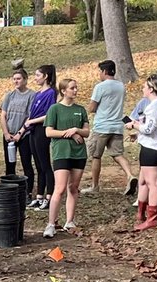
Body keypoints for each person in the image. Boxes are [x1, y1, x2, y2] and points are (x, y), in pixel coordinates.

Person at [43, 78, 89, 238]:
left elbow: (87, 132)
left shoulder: (80, 109)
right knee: (60, 188)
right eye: (72, 88)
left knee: (73, 187)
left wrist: (76, 130)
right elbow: (49, 132)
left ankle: (69, 220)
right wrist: (68, 133)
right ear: (63, 91)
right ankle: (51, 223)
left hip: (79, 153)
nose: (75, 90)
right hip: (61, 153)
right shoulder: (54, 109)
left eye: (76, 87)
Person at [84, 59, 136, 196]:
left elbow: (92, 107)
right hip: (117, 126)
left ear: (104, 71)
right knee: (118, 154)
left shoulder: (100, 87)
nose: (99, 74)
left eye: (100, 71)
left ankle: (95, 186)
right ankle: (130, 175)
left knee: (96, 156)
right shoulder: (121, 86)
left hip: (102, 126)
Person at [127, 73, 157, 231]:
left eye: (144, 87)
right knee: (143, 181)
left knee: (153, 184)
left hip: (153, 148)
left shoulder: (155, 106)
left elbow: (149, 129)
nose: (142, 89)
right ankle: (141, 214)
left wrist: (134, 126)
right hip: (152, 147)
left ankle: (152, 218)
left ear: (151, 89)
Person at [23, 64, 58, 210]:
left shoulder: (51, 93)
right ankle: (39, 196)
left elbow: (49, 114)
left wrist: (32, 121)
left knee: (45, 164)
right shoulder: (38, 94)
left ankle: (50, 196)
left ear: (46, 76)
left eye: (38, 75)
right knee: (38, 164)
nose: (35, 78)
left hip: (42, 129)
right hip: (32, 130)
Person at [0, 68, 34, 182]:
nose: (16, 81)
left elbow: (30, 116)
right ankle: (10, 189)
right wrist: (6, 133)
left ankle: (27, 192)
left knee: (26, 163)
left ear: (25, 80)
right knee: (9, 163)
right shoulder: (9, 95)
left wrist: (20, 133)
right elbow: (3, 115)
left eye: (18, 79)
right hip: (9, 135)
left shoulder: (31, 95)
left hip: (24, 135)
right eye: (14, 79)